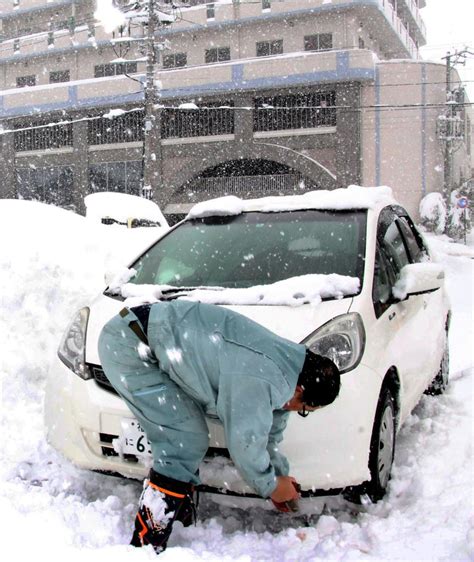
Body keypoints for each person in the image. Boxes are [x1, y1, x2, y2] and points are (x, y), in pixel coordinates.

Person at [98, 300, 340, 554]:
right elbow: (245, 443)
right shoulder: (264, 377)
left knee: (187, 437)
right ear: (301, 390)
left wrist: (279, 478)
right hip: (131, 344)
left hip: (147, 336)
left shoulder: (287, 366)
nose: (295, 410)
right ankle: (144, 547)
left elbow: (267, 432)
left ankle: (178, 518)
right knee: (184, 440)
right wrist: (270, 486)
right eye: (303, 408)